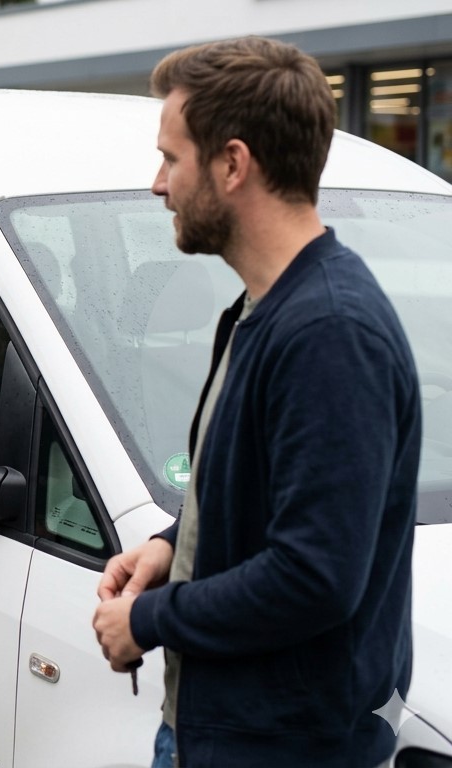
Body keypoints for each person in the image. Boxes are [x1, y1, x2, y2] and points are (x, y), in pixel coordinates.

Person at [92, 36, 422, 768]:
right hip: (226, 737)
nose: (158, 184)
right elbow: (262, 500)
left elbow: (314, 576)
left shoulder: (330, 333)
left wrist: (148, 618)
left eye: (171, 158)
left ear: (232, 164)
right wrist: (167, 549)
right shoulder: (265, 309)